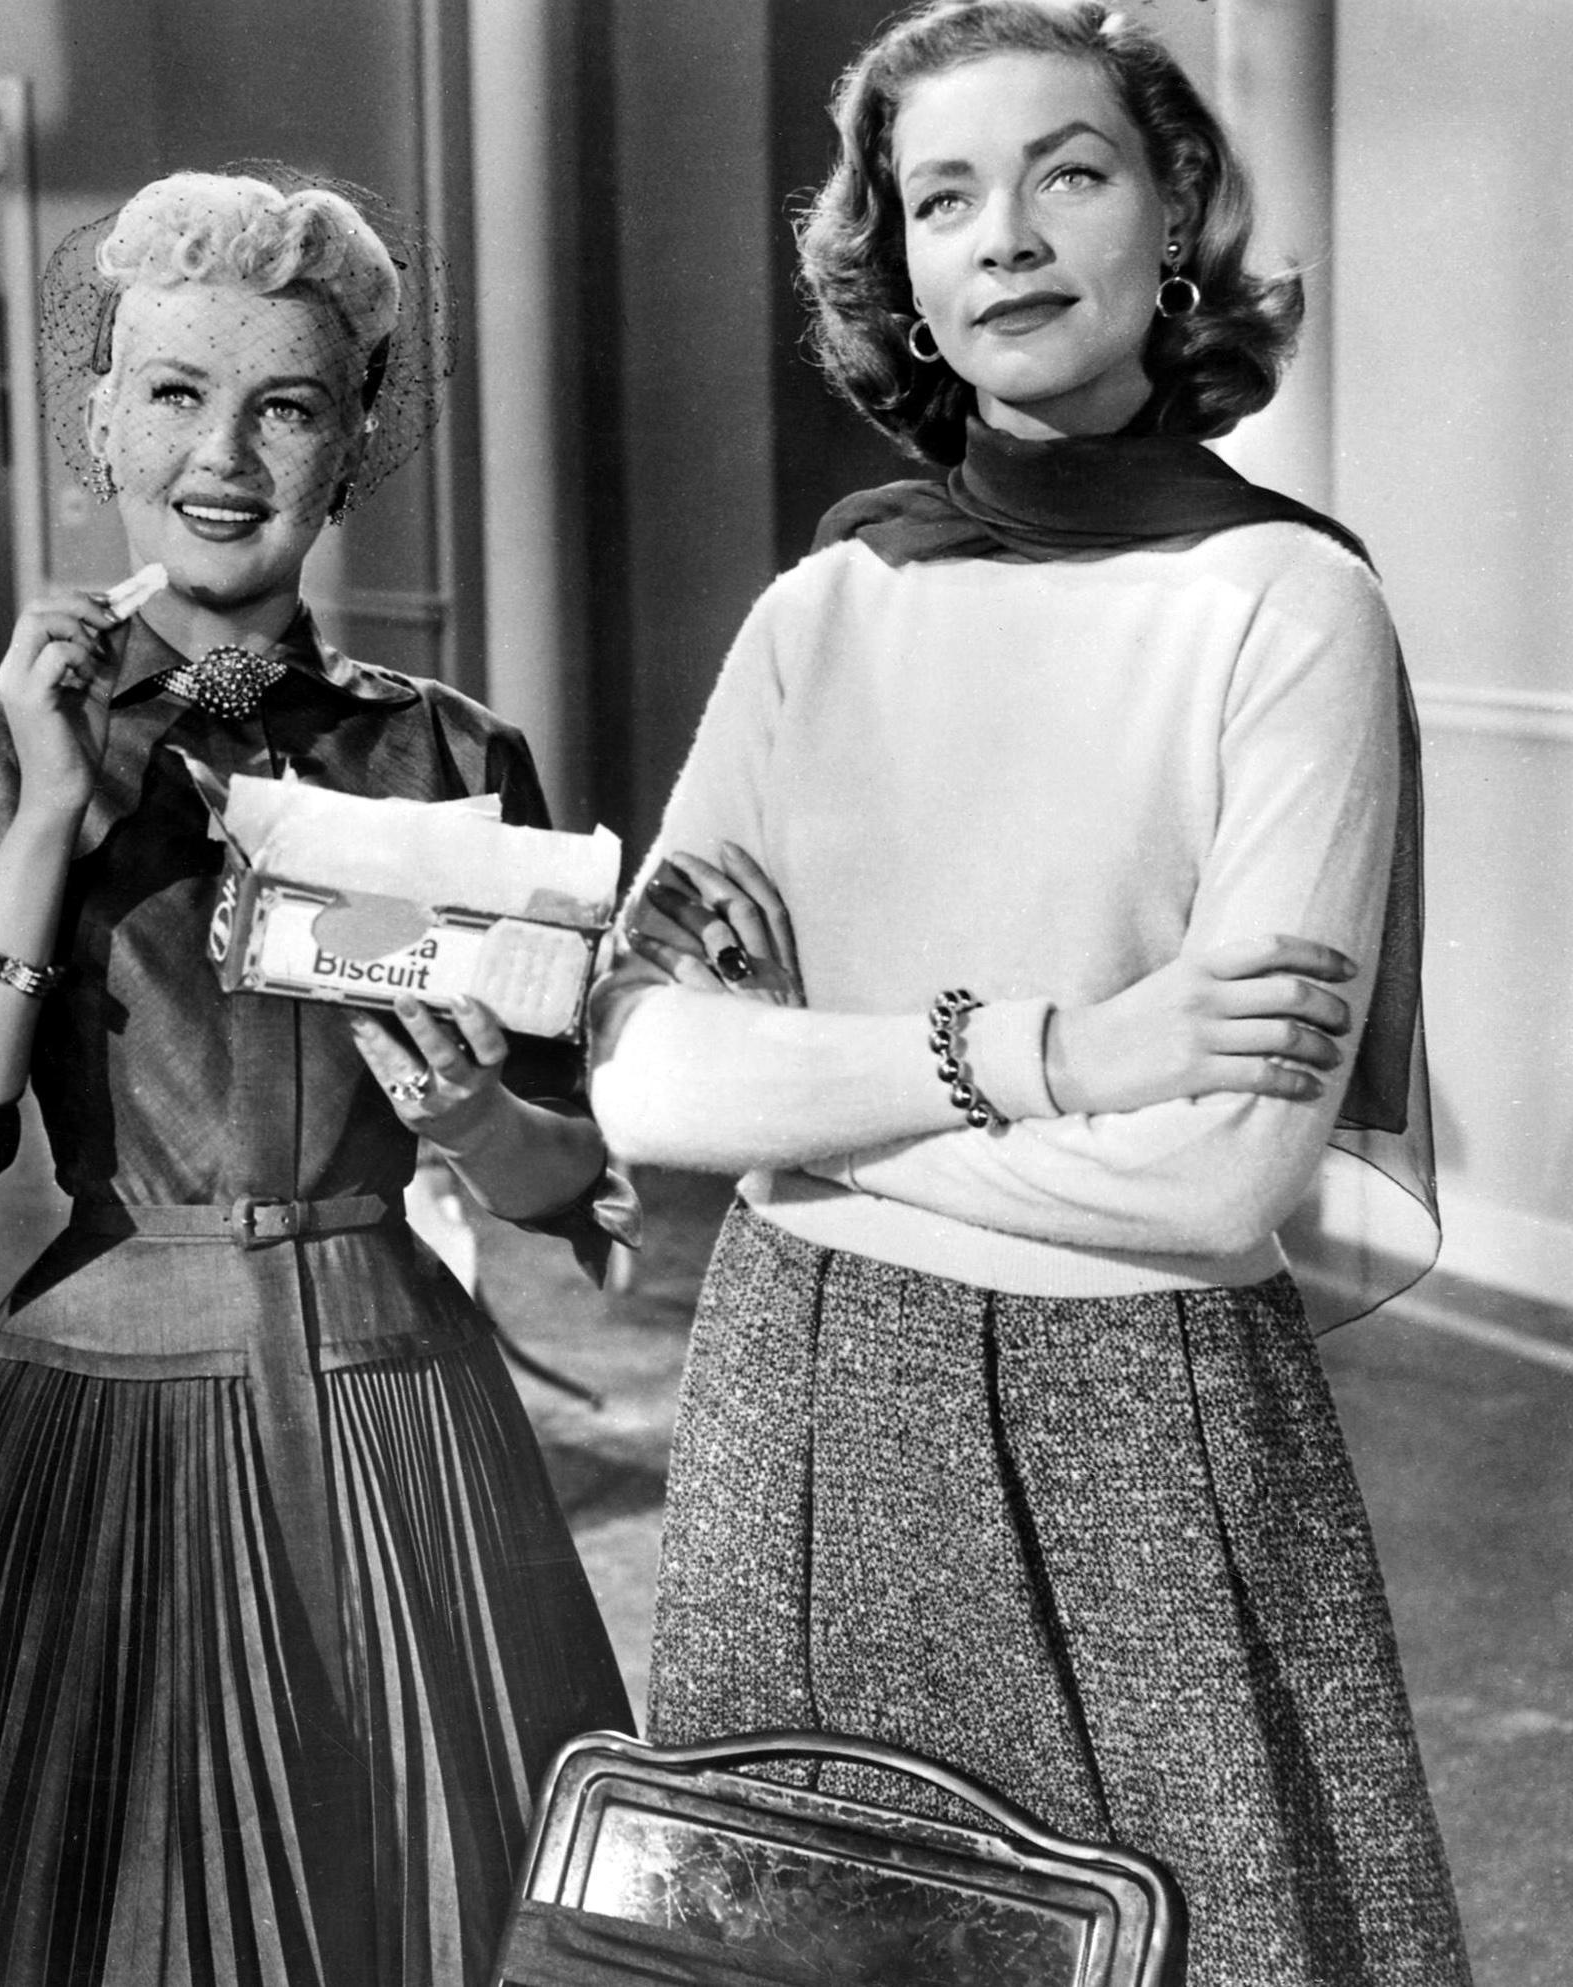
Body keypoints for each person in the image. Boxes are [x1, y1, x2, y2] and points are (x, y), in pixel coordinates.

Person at [588, 6, 1468, 1985]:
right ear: (897, 267)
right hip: (797, 1404)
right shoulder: (821, 610)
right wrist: (1061, 1054)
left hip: (1134, 1419)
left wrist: (806, 1116)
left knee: (1188, 1934)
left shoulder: (1289, 604)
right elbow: (638, 1078)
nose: (1004, 235)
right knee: (804, 1940)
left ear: (1174, 215)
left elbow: (1216, 1176)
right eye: (942, 197)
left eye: (1068, 172)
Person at [0, 169, 631, 1987]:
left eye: (285, 406)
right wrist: (49, 813)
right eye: (173, 393)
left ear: (352, 445)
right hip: (100, 1415)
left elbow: (576, 1191)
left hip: (400, 1415)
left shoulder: (455, 755)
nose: (222, 456)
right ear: (101, 426)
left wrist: (471, 1115)